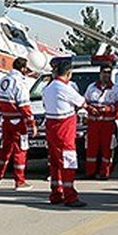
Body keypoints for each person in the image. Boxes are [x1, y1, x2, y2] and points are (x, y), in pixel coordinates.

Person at [43, 58, 87, 207]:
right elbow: (82, 102)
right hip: (64, 131)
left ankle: (56, 193)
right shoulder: (65, 88)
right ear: (69, 73)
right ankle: (70, 196)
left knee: (55, 164)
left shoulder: (47, 88)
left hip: (51, 129)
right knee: (68, 163)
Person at [0, 57, 35, 190]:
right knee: (20, 150)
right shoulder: (20, 82)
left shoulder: (5, 79)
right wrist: (31, 123)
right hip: (17, 122)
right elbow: (24, 105)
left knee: (5, 150)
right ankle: (19, 181)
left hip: (6, 120)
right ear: (23, 69)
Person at [82, 61, 118, 179]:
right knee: (91, 148)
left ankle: (104, 172)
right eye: (104, 72)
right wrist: (90, 108)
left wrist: (109, 108)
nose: (106, 75)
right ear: (99, 73)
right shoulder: (91, 88)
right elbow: (85, 102)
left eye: (108, 73)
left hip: (108, 124)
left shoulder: (116, 89)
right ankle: (90, 172)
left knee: (107, 149)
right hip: (93, 123)